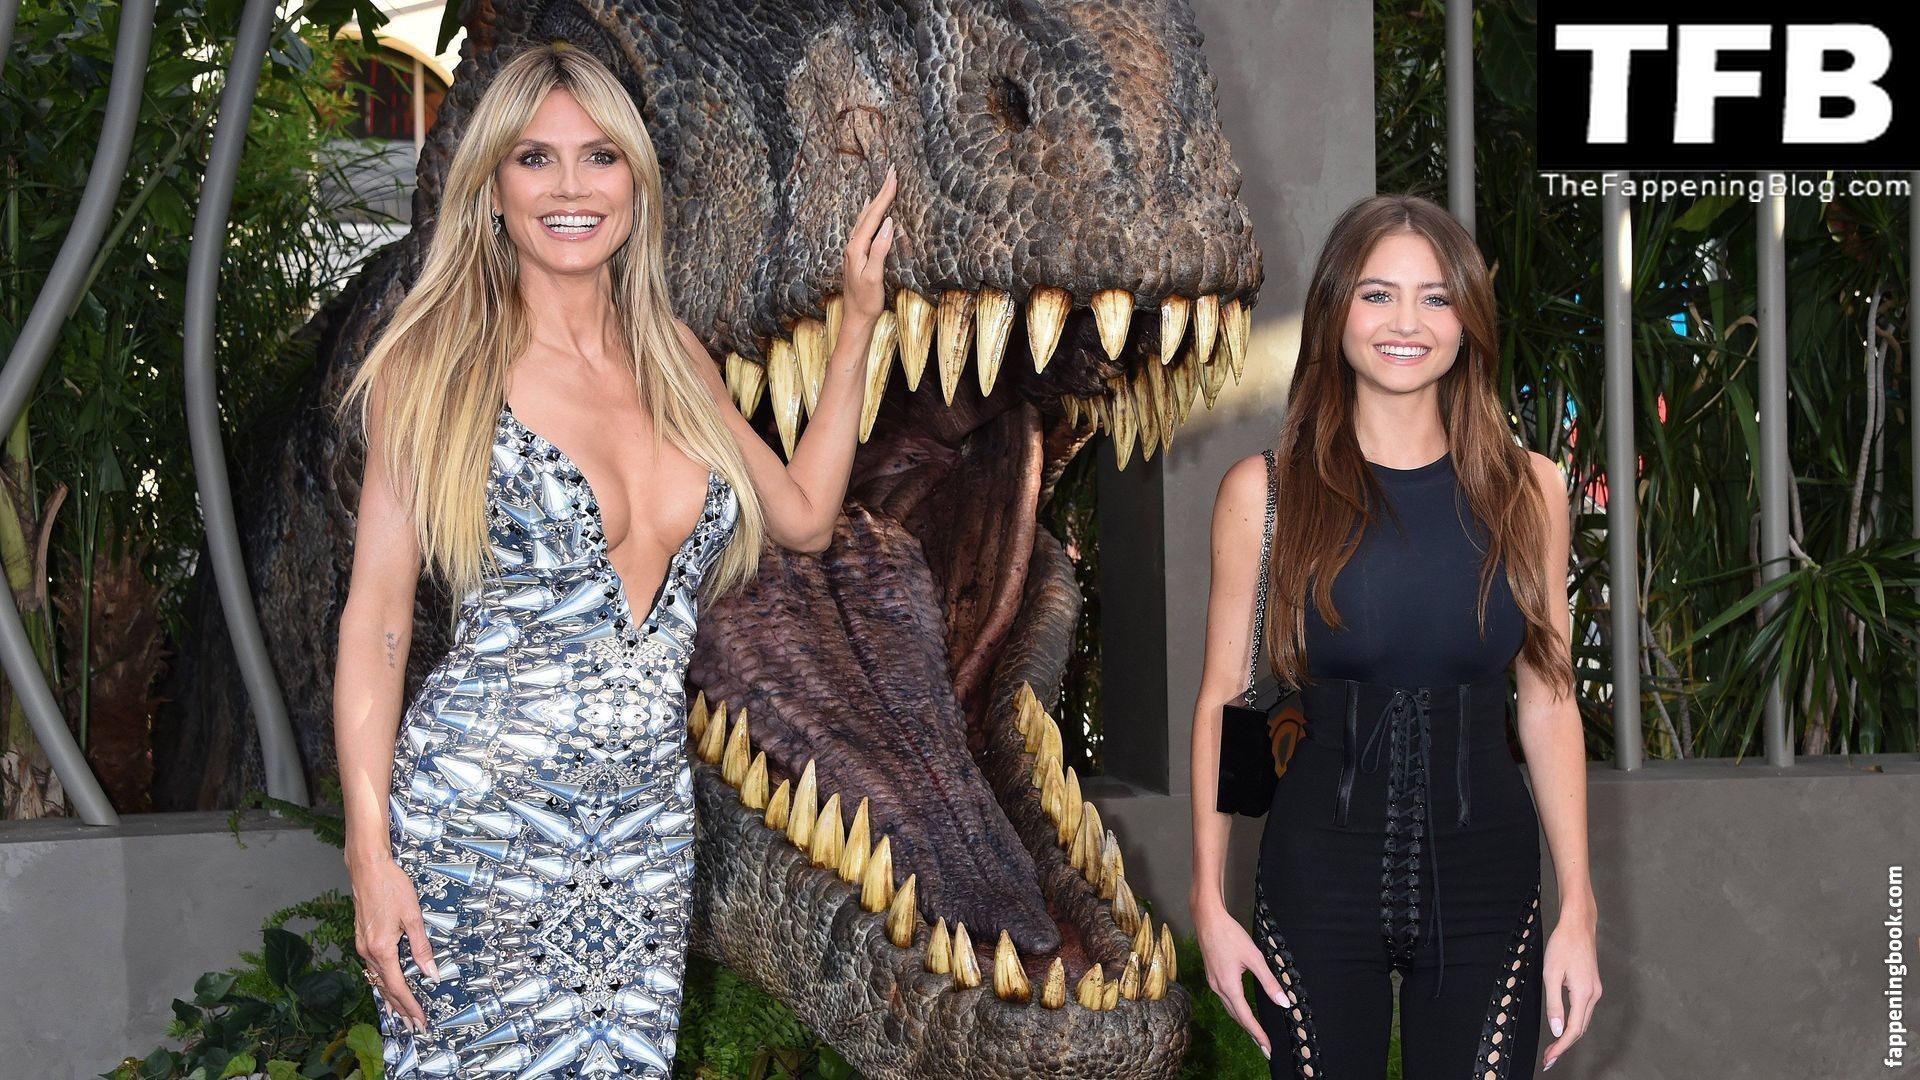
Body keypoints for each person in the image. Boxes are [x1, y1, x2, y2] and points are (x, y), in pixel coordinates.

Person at [331, 42, 896, 1077]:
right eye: (535, 159)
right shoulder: (439, 363)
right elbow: (377, 624)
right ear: (493, 187)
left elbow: (806, 517)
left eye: (599, 156)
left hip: (640, 835)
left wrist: (857, 323)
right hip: (480, 826)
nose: (570, 188)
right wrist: (370, 856)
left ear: (634, 182)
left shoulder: (674, 357)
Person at [1186, 194, 1601, 1079]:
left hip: (1490, 882)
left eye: (1435, 297)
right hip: (1315, 881)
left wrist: (1579, 909)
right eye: (1377, 294)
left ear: (1467, 322)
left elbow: (1549, 701)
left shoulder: (1530, 491)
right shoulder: (1264, 493)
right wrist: (1209, 902)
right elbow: (1232, 701)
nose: (1405, 322)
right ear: (1335, 311)